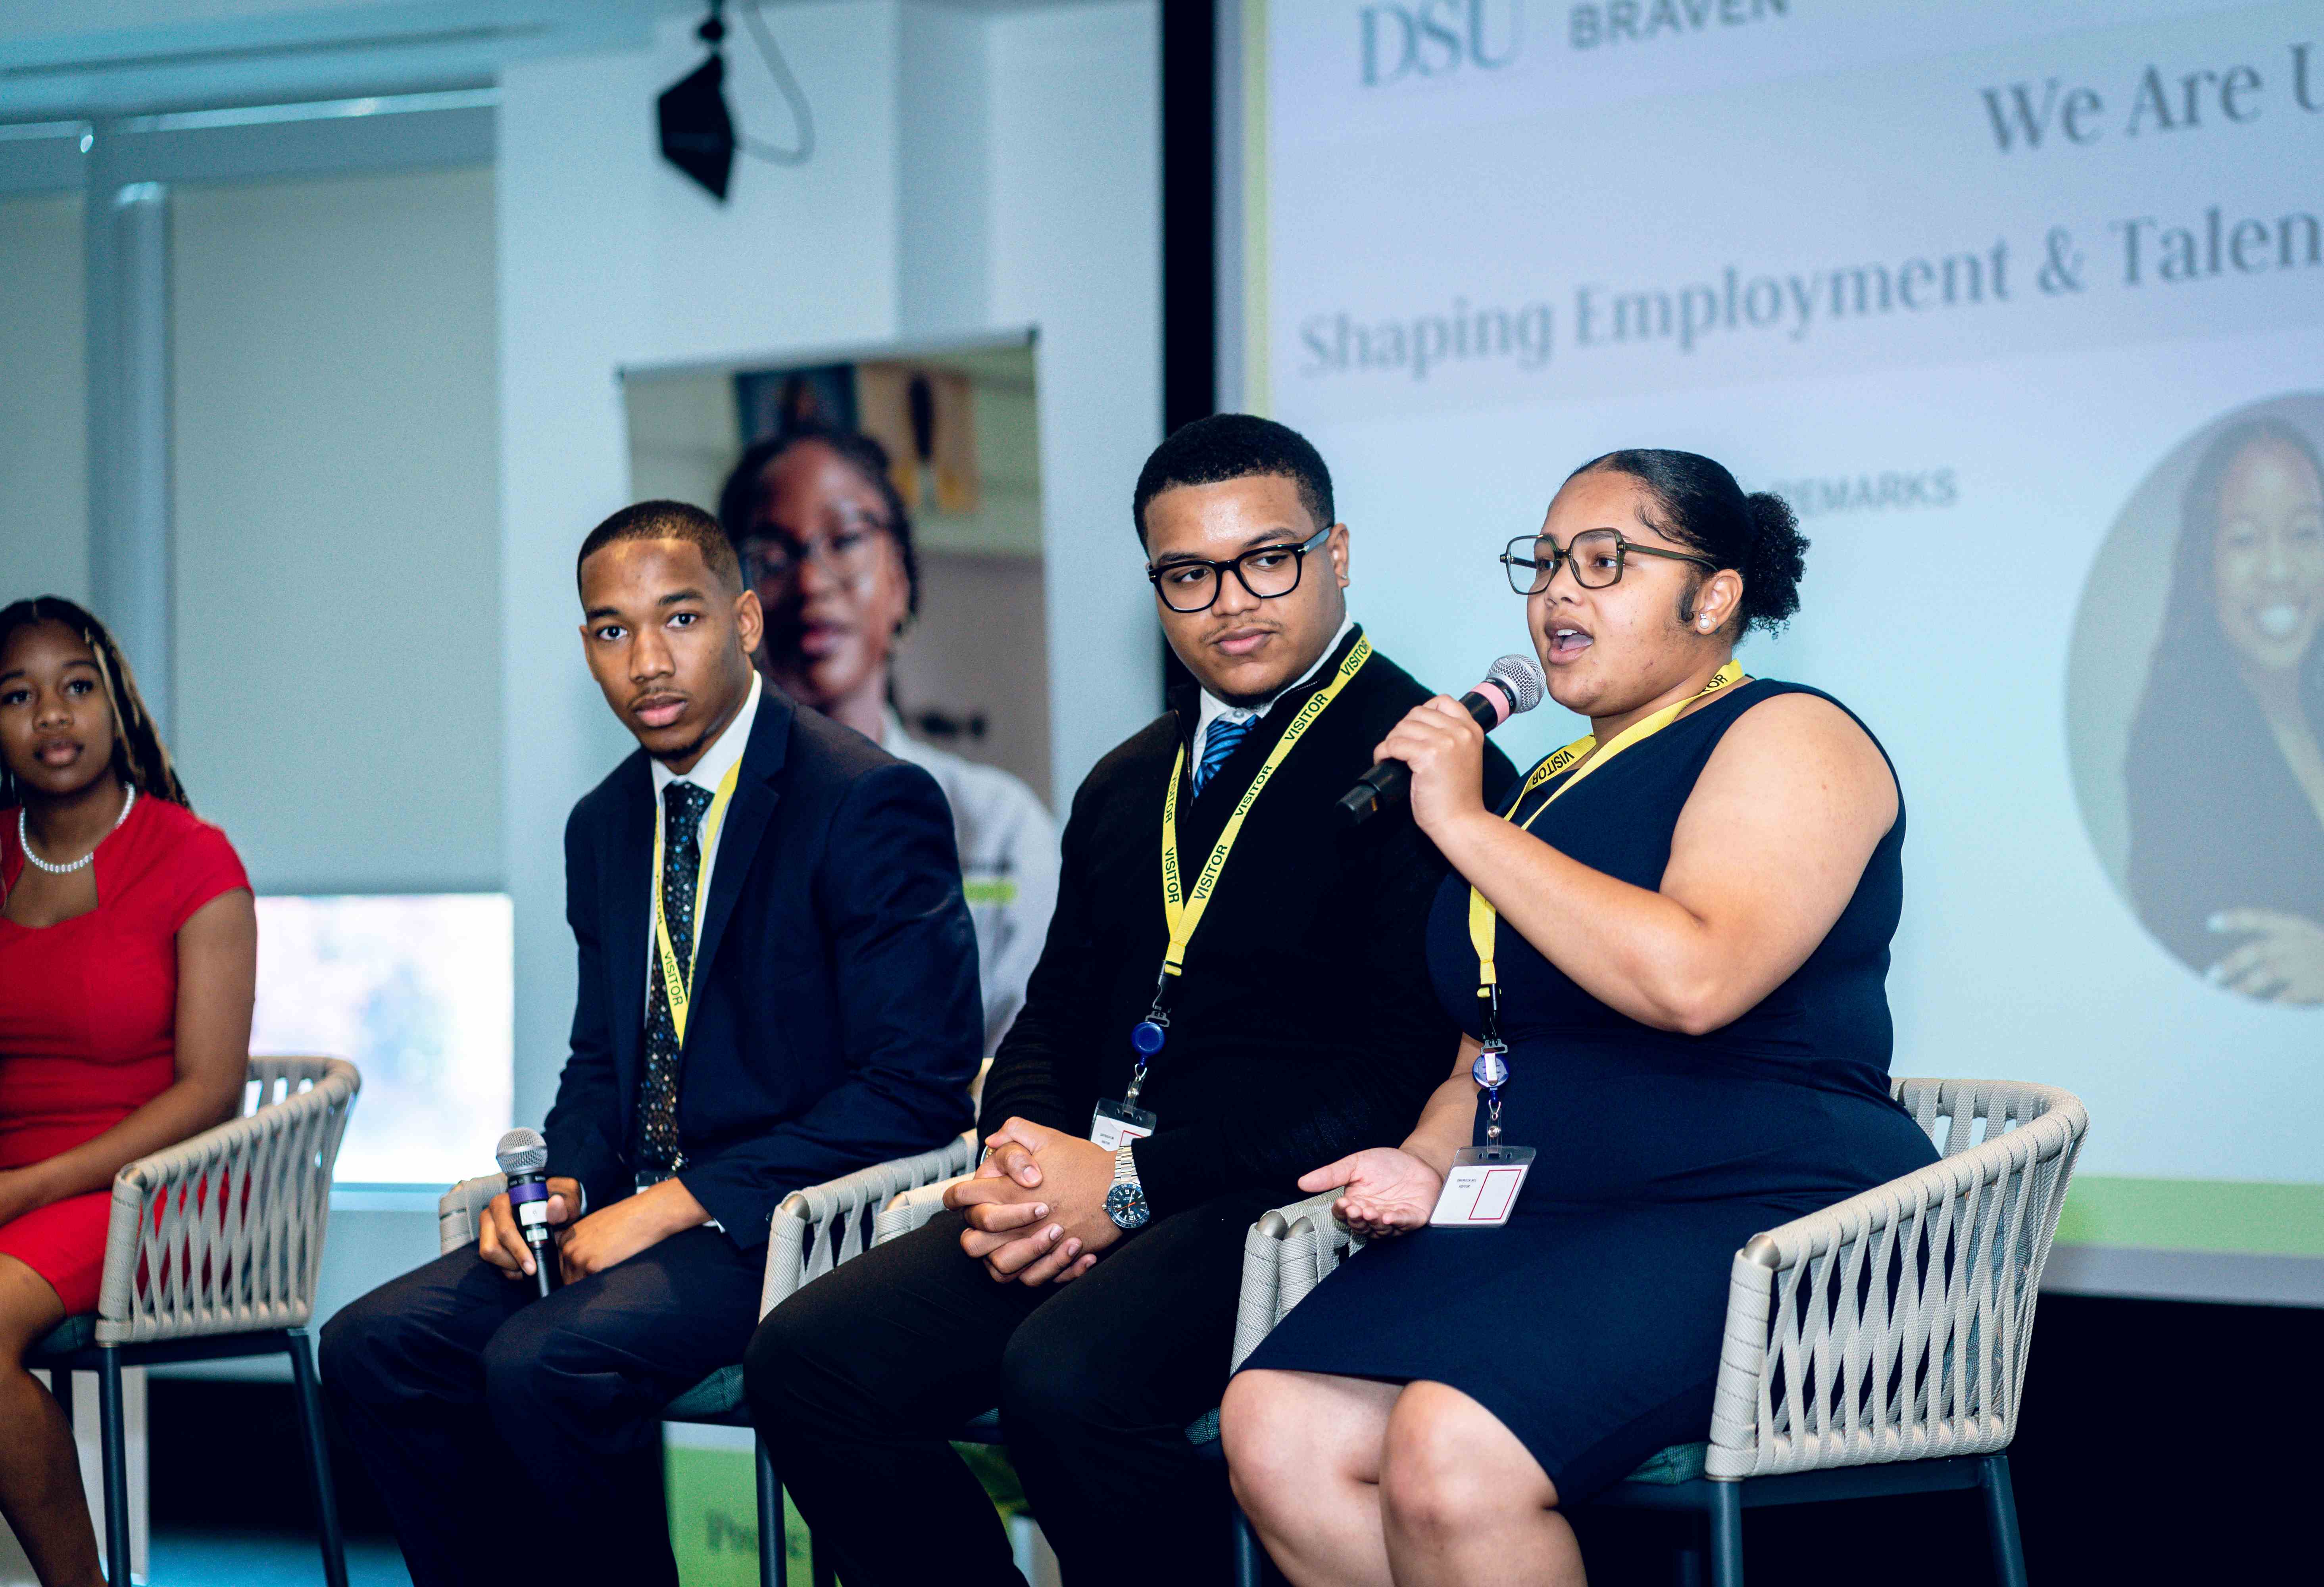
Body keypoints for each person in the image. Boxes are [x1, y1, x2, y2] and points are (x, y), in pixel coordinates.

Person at [741, 414, 1517, 1586]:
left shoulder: (1430, 766)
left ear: (1337, 554)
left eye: (1269, 558)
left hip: (1281, 1199)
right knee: (808, 1360)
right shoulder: (1127, 779)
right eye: (1188, 575)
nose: (1231, 601)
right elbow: (1054, 1013)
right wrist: (1028, 1160)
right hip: (1100, 1181)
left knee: (1065, 1381)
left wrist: (1129, 1188)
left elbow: (1397, 1072)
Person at [1221, 449, 1942, 1587]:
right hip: (1543, 1206)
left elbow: (1696, 979)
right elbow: (1490, 1043)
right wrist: (1422, 1157)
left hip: (1755, 1209)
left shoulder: (1793, 736)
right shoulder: (1552, 779)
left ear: (1714, 598)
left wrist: (1464, 825)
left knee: (1452, 1453)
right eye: (1546, 561)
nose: (1558, 592)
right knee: (1278, 1423)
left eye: (1604, 563)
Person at [318, 502, 982, 1587]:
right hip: (630, 1212)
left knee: (548, 1362)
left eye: (680, 619)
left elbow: (916, 1089)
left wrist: (681, 1202)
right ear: (586, 648)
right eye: (612, 631)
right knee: (371, 1347)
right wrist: (569, 1180)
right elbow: (604, 1059)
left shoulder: (865, 800)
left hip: (789, 1221)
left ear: (749, 621)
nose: (649, 661)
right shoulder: (606, 821)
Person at [0, 598, 254, 1587]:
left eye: (76, 685)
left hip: (149, 1188)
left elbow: (211, 1090)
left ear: (117, 703)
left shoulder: (192, 854)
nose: (51, 715)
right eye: (18, 695)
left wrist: (26, 1187)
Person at [721, 423, 1059, 1055]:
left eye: (844, 540)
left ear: (900, 584)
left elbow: (1029, 1071)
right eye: (770, 556)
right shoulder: (698, 829)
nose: (811, 583)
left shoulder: (999, 828)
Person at [2125, 417, 2324, 1002]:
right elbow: (2236, 966)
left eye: (2304, 534)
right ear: (2204, 568)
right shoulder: (2175, 750)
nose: (2279, 570)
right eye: (2244, 539)